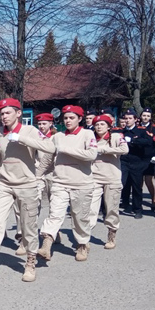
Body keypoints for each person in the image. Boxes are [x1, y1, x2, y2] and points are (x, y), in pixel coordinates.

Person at [0, 99, 54, 283]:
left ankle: (30, 262)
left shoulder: (30, 131)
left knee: (28, 227)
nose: (4, 117)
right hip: (4, 185)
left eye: (7, 113)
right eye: (1, 113)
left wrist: (22, 139)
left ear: (17, 113)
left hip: (26, 185)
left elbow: (50, 147)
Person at [38, 105, 97, 262]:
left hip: (82, 184)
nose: (68, 120)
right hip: (60, 182)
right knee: (55, 214)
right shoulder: (57, 137)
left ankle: (82, 244)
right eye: (66, 118)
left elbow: (91, 154)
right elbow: (47, 159)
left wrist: (66, 149)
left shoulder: (87, 134)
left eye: (72, 118)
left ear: (79, 118)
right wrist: (37, 175)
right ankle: (46, 244)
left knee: (79, 217)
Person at [89, 114, 128, 249]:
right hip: (94, 177)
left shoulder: (116, 137)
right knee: (90, 208)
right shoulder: (90, 138)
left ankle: (111, 234)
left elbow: (125, 150)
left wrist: (106, 150)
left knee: (111, 208)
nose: (99, 127)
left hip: (112, 178)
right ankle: (85, 236)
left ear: (109, 126)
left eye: (102, 124)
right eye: (97, 124)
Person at [118, 109, 154, 219]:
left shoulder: (141, 131)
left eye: (130, 118)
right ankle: (122, 204)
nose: (127, 120)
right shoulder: (121, 132)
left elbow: (149, 142)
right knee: (121, 184)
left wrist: (133, 141)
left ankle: (137, 208)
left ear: (135, 119)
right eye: (126, 118)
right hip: (124, 161)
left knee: (136, 186)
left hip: (136, 162)